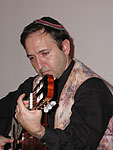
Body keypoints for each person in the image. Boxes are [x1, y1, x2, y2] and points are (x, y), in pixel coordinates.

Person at [0, 16, 113, 150]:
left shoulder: (92, 89)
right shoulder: (34, 84)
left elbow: (80, 144)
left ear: (65, 47)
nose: (39, 65)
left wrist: (39, 131)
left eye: (45, 53)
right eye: (32, 58)